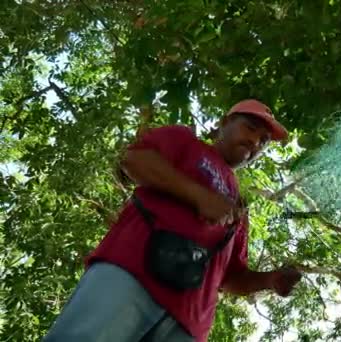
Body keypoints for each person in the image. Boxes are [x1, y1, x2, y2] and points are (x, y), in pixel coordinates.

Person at [44, 99, 303, 342]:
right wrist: (200, 196)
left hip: (188, 325)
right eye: (250, 128)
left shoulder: (240, 207)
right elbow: (134, 160)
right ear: (224, 123)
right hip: (131, 277)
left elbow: (231, 278)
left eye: (264, 140)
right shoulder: (185, 141)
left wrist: (270, 280)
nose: (255, 141)